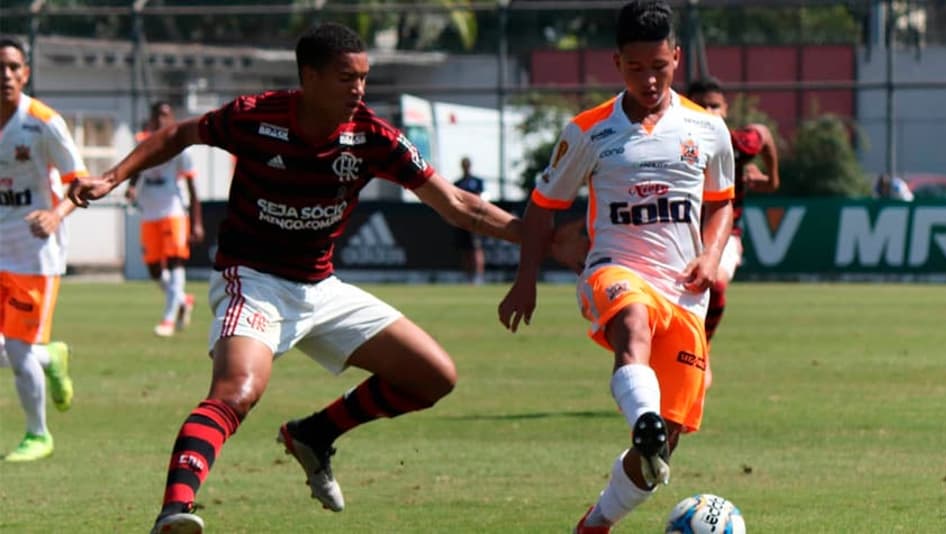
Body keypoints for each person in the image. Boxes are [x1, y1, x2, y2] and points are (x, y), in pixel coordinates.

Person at [67, 22, 580, 534]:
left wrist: (544, 240)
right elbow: (179, 133)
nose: (358, 90)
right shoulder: (255, 116)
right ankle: (174, 511)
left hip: (321, 287)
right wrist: (111, 177)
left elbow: (459, 206)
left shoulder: (374, 137)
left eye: (363, 78)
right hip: (254, 280)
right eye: (345, 78)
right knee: (237, 391)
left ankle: (315, 434)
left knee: (433, 377)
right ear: (308, 78)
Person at [497, 2, 735, 532]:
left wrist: (711, 254)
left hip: (683, 293)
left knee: (661, 453)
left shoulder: (708, 129)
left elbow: (722, 201)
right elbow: (542, 208)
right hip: (614, 271)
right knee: (631, 322)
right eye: (635, 68)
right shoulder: (588, 131)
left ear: (676, 57)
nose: (649, 79)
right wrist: (524, 281)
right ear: (616, 63)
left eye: (659, 66)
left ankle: (596, 522)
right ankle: (643, 418)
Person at [0, 36, 83, 462]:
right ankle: (48, 355)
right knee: (17, 349)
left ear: (25, 73)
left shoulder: (43, 122)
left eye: (14, 67)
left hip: (34, 254)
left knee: (15, 348)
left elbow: (80, 184)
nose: (6, 75)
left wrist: (55, 215)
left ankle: (38, 435)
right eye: (0, 67)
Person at [684, 77, 780, 349]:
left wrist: (772, 180)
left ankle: (702, 348)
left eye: (715, 106)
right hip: (678, 235)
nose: (709, 113)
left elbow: (764, 133)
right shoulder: (673, 145)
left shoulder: (737, 144)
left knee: (714, 285)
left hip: (724, 236)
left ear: (725, 109)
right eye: (700, 106)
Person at [125, 101, 204, 337]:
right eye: (157, 115)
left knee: (174, 261)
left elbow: (192, 188)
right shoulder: (143, 143)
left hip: (174, 211)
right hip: (149, 211)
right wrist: (131, 187)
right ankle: (182, 299)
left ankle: (169, 318)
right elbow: (135, 169)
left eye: (165, 116)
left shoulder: (181, 148)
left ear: (171, 120)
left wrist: (197, 222)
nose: (161, 120)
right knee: (153, 269)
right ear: (151, 119)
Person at [453, 156, 486, 284]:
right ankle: (467, 276)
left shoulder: (476, 181)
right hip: (462, 219)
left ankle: (478, 275)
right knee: (465, 249)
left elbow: (482, 197)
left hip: (475, 218)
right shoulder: (458, 182)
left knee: (476, 248)